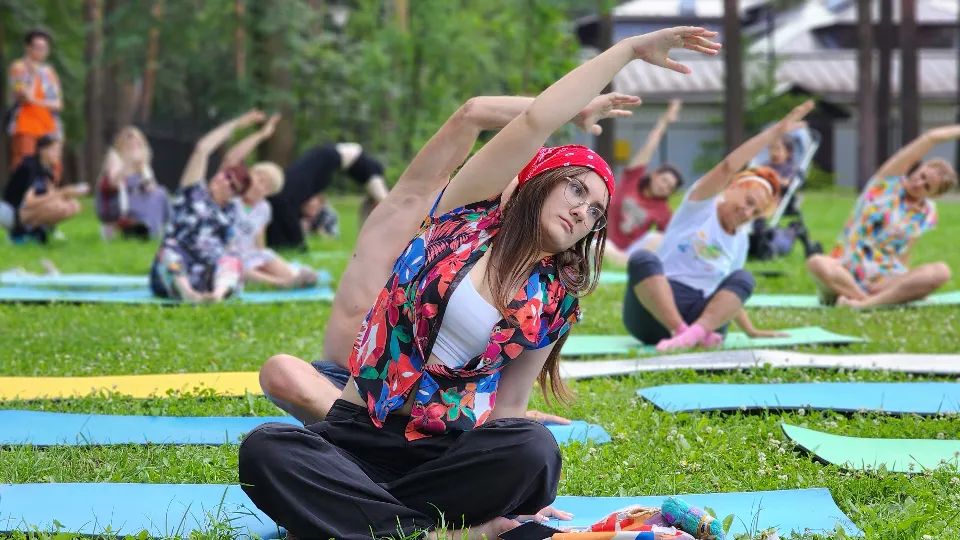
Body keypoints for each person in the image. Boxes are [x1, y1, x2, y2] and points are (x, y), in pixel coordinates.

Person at [238, 26, 721, 540]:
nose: (583, 210)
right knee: (266, 450)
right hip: (357, 436)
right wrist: (625, 51)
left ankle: (367, 525)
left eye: (595, 211)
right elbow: (536, 119)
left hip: (443, 459)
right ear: (537, 183)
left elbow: (509, 408)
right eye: (575, 189)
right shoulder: (460, 222)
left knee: (533, 449)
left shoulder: (556, 300)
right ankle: (446, 534)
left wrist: (511, 477)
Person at [622, 101, 814, 352]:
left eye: (755, 211)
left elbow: (729, 294)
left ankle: (691, 335)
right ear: (733, 189)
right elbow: (728, 166)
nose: (748, 212)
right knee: (642, 259)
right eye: (748, 202)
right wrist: (773, 134)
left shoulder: (741, 240)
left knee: (743, 277)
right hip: (653, 315)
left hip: (703, 318)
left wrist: (751, 331)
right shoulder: (700, 206)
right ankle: (681, 332)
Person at [806, 125, 958, 309]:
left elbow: (905, 252)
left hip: (884, 280)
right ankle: (867, 301)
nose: (918, 183)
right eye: (921, 175)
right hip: (846, 272)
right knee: (817, 263)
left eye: (926, 186)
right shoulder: (886, 184)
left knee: (941, 271)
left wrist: (909, 283)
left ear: (934, 195)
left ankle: (865, 303)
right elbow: (930, 138)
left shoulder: (927, 213)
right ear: (919, 167)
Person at [148, 110, 267, 303]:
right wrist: (238, 123)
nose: (225, 182)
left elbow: (229, 249)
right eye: (226, 176)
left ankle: (216, 296)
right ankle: (189, 295)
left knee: (233, 259)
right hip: (174, 273)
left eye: (233, 186)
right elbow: (203, 148)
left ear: (235, 195)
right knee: (169, 251)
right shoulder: (193, 192)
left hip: (209, 276)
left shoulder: (231, 212)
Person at [216, 113, 320, 289]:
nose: (259, 186)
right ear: (249, 175)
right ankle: (280, 284)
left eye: (266, 186)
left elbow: (259, 243)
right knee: (237, 266)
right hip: (226, 253)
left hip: (250, 254)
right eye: (259, 178)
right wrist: (261, 135)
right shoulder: (232, 196)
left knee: (267, 257)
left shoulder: (263, 208)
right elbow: (231, 159)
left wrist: (266, 262)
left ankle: (294, 274)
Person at [265, 142, 390, 250]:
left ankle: (284, 242)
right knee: (285, 198)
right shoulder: (372, 169)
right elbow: (383, 199)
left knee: (286, 197)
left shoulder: (333, 160)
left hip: (328, 157)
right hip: (333, 157)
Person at [605, 98, 684, 266]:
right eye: (664, 180)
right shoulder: (631, 180)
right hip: (606, 244)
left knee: (659, 238)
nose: (665, 187)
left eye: (670, 187)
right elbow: (648, 148)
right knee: (595, 245)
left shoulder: (663, 211)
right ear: (654, 175)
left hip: (633, 251)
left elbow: (671, 241)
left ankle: (625, 263)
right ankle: (623, 263)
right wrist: (664, 122)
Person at [2, 135, 83, 244]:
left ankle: (38, 231)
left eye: (60, 150)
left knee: (72, 205)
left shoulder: (47, 171)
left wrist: (66, 194)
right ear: (42, 150)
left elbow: (49, 195)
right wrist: (61, 193)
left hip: (26, 210)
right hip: (11, 211)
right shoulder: (30, 167)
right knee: (56, 207)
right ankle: (18, 234)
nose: (58, 154)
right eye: (54, 150)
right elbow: (29, 201)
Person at [6, 28, 63, 180]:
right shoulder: (18, 68)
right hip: (26, 125)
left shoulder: (49, 72)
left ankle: (49, 199)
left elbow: (58, 103)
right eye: (37, 47)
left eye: (44, 48)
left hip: (48, 126)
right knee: (24, 165)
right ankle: (22, 201)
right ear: (28, 48)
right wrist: (33, 74)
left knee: (52, 166)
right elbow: (23, 96)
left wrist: (37, 101)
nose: (41, 52)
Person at [95, 126, 169, 240]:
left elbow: (151, 188)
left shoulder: (143, 165)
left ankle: (152, 228)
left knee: (160, 193)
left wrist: (145, 172)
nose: (135, 149)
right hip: (118, 201)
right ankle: (144, 228)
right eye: (130, 146)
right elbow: (113, 183)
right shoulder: (115, 158)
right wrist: (128, 163)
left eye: (138, 145)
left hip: (137, 200)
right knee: (142, 202)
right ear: (122, 147)